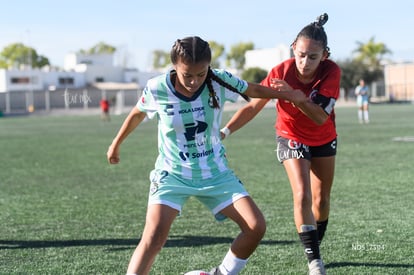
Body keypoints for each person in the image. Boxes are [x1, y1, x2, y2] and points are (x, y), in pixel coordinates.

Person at [106, 36, 308, 275]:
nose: (194, 81)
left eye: (200, 74)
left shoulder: (219, 80)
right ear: (175, 68)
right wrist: (116, 144)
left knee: (256, 227)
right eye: (187, 75)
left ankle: (220, 273)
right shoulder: (157, 87)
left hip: (215, 173)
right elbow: (137, 114)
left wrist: (290, 95)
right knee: (153, 238)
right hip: (173, 175)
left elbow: (251, 89)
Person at [222, 13, 340, 275]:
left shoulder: (331, 72)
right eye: (300, 54)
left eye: (312, 56)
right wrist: (225, 131)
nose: (305, 62)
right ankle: (315, 262)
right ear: (293, 49)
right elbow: (254, 105)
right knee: (302, 194)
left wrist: (295, 97)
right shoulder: (280, 72)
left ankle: (314, 244)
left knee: (321, 201)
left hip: (323, 137)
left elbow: (320, 117)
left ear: (325, 55)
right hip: (291, 136)